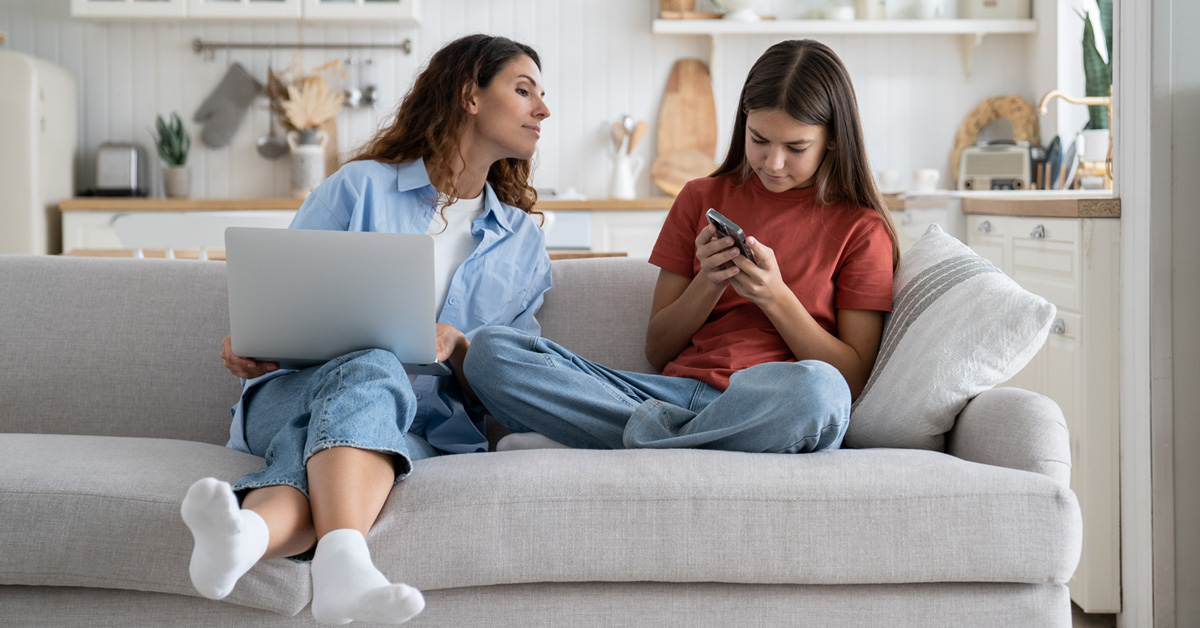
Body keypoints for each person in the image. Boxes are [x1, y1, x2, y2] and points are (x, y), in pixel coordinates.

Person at [179, 34, 552, 626]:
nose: (543, 109)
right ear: (469, 97)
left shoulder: (523, 242)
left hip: (425, 425)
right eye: (523, 89)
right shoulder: (360, 188)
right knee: (374, 366)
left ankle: (246, 535)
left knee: (331, 462)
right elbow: (281, 297)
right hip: (297, 392)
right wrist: (253, 345)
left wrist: (460, 346)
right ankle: (344, 570)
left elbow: (520, 379)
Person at [464, 39, 898, 455]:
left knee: (822, 393)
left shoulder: (861, 228)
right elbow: (658, 349)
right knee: (489, 353)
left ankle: (607, 438)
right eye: (759, 140)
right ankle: (670, 439)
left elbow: (851, 378)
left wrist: (774, 296)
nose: (773, 162)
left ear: (833, 139)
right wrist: (709, 281)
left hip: (770, 404)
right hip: (666, 396)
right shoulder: (699, 196)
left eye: (796, 147)